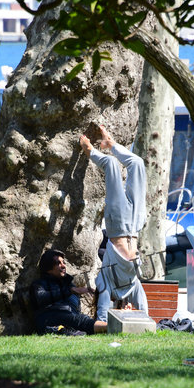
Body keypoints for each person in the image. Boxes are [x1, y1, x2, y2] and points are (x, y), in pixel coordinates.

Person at [80, 125, 148, 314]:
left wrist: (111, 318)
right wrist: (136, 318)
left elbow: (102, 316)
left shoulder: (105, 283)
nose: (127, 306)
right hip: (135, 226)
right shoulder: (133, 285)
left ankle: (90, 150)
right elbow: (146, 314)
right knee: (138, 163)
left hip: (118, 225)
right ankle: (112, 144)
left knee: (110, 164)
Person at [29, 249, 107, 335]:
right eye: (58, 263)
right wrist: (70, 291)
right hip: (49, 318)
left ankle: (65, 330)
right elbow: (41, 298)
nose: (63, 266)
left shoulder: (69, 285)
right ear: (48, 268)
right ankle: (113, 327)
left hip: (70, 319)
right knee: (80, 320)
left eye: (63, 262)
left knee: (79, 320)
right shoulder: (39, 284)